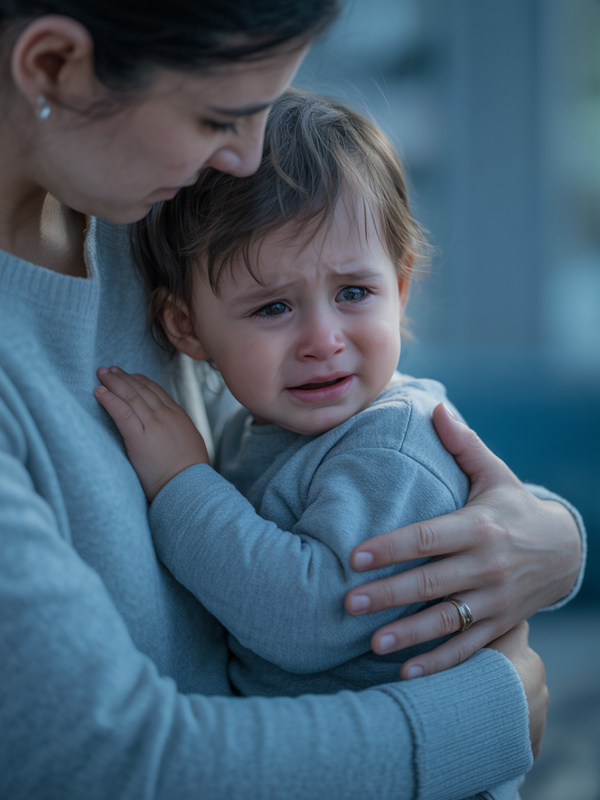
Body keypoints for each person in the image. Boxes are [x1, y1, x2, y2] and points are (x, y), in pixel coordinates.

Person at [0, 1, 583, 798]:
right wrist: (485, 715)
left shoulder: (133, 197)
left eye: (263, 109)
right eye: (219, 116)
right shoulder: (169, 219)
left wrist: (551, 539)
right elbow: (109, 760)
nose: (245, 159)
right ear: (53, 67)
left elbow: (403, 479)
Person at [93, 87, 507, 700]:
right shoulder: (258, 424)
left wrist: (182, 483)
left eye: (354, 293)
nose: (323, 340)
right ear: (186, 326)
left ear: (400, 288)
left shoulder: (391, 446)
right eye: (274, 306)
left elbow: (309, 620)